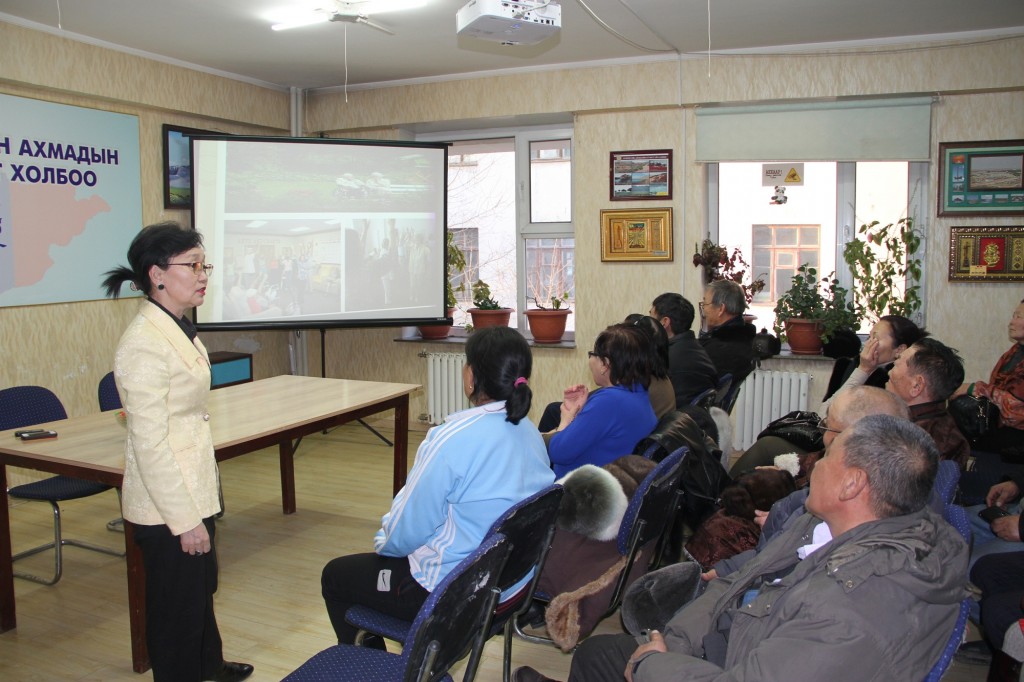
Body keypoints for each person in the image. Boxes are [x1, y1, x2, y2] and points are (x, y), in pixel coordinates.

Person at [514, 415, 968, 682]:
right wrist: (675, 642)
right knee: (602, 654)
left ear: (853, 484)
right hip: (745, 636)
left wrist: (655, 665)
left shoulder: (853, 612)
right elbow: (736, 579)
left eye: (828, 457)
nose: (813, 466)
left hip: (743, 660)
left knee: (604, 659)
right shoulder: (833, 523)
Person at [321, 326, 554, 645]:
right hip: (509, 587)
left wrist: (385, 546)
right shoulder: (529, 432)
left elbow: (407, 530)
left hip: (449, 594)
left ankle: (377, 666)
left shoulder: (451, 439)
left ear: (470, 376)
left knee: (336, 577)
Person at [101, 222, 253, 682]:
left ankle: (208, 665)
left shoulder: (176, 326)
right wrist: (184, 521)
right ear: (157, 274)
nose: (203, 274)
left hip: (193, 484)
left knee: (199, 589)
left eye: (204, 264)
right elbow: (148, 444)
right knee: (175, 609)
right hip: (166, 506)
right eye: (193, 265)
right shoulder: (143, 343)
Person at [729, 315, 926, 474]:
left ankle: (722, 495)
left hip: (844, 450)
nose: (869, 344)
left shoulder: (890, 381)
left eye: (877, 338)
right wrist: (863, 369)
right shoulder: (860, 367)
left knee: (767, 446)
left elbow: (829, 415)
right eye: (870, 336)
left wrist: (864, 370)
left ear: (900, 350)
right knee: (767, 444)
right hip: (828, 437)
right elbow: (826, 411)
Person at [546, 323, 657, 478]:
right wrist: (577, 411)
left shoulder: (609, 402)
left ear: (605, 364)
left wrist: (566, 420)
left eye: (592, 354)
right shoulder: (638, 392)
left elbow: (558, 452)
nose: (590, 360)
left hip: (579, 493)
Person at [953, 298, 1024, 460]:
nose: (1011, 322)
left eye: (1018, 317)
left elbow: (1016, 410)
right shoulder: (1014, 352)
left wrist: (975, 388)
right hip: (998, 426)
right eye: (1013, 316)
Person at [885, 336, 970, 470]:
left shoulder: (918, 444)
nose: (889, 372)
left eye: (896, 365)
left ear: (916, 385)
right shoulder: (929, 423)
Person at [650, 293, 718, 407]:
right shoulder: (693, 347)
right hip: (694, 419)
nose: (648, 323)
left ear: (664, 322)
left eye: (651, 316)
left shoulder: (668, 359)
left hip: (678, 420)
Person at [698, 279, 756, 386]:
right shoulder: (743, 337)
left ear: (721, 309)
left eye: (705, 304)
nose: (704, 310)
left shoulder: (718, 348)